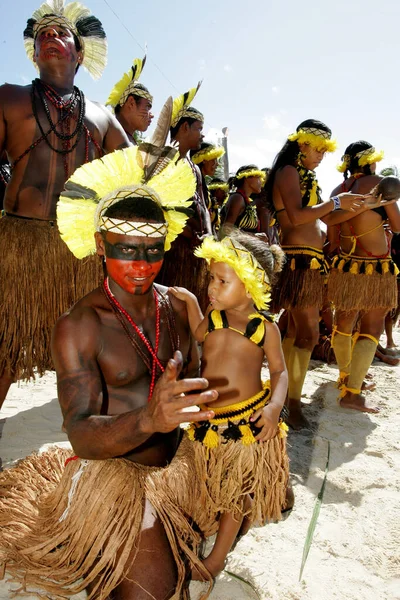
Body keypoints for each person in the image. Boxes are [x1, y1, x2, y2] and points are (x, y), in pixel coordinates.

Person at [0, 145, 220, 599]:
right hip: (117, 474)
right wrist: (147, 420)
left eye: (152, 250)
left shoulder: (179, 304)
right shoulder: (79, 326)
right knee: (155, 590)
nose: (141, 264)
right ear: (101, 245)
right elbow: (80, 433)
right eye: (126, 250)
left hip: (178, 467)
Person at [0, 0, 130, 408]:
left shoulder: (103, 119)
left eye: (61, 33)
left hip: (75, 254)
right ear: (35, 54)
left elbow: (132, 178)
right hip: (17, 246)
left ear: (79, 53)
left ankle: (92, 439)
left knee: (84, 352)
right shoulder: (10, 98)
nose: (50, 38)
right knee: (3, 348)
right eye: (43, 35)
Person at [170, 231, 289, 582]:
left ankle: (217, 560)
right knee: (209, 482)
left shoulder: (264, 328)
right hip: (208, 421)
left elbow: (280, 373)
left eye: (222, 281)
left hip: (245, 421)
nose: (213, 287)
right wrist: (193, 302)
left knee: (234, 492)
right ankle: (213, 528)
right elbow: (199, 335)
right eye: (211, 278)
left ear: (252, 283)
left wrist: (273, 409)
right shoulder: (215, 316)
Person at [265, 119, 366, 429]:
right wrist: (335, 201)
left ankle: (281, 396)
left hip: (308, 262)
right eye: (318, 148)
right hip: (298, 262)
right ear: (302, 144)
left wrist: (359, 206)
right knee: (307, 334)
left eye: (326, 150)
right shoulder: (288, 172)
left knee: (297, 332)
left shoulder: (304, 175)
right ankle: (290, 403)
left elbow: (327, 215)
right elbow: (296, 218)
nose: (322, 155)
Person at [328, 141, 400, 412]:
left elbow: (331, 230)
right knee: (372, 326)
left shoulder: (340, 191)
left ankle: (346, 377)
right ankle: (352, 393)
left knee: (344, 322)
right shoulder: (381, 184)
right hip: (375, 267)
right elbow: (397, 226)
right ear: (370, 161)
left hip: (346, 266)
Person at [156, 83, 211, 308]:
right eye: (199, 128)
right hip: (174, 249)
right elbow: (162, 208)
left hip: (195, 250)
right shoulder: (164, 160)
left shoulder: (194, 167)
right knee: (172, 307)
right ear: (184, 128)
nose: (203, 133)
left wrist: (208, 234)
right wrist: (188, 234)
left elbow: (203, 207)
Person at [106, 55, 154, 144]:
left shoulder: (125, 140)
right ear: (131, 103)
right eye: (147, 106)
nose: (151, 115)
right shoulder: (106, 136)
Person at [220, 165, 266, 233]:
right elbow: (226, 230)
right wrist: (254, 237)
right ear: (247, 178)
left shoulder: (246, 200)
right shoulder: (237, 198)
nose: (261, 182)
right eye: (258, 177)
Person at [190, 142, 225, 232]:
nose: (217, 164)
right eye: (214, 159)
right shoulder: (192, 183)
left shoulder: (202, 184)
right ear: (204, 160)